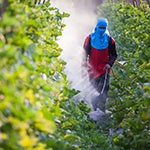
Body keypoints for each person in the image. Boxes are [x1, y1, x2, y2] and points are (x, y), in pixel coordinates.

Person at [82, 18, 117, 113]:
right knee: (94, 88)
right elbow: (85, 53)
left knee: (104, 89)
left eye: (104, 27)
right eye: (100, 27)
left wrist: (109, 64)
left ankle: (102, 109)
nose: (102, 29)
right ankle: (94, 108)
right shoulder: (89, 39)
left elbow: (114, 55)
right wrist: (84, 64)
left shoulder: (110, 40)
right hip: (92, 69)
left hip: (104, 69)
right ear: (96, 27)